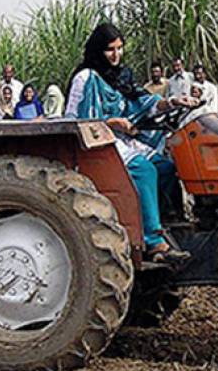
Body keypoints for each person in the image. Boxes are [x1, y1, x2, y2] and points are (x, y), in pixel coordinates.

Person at [65, 22, 192, 262]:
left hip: (124, 138)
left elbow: (145, 102)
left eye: (120, 48)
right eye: (110, 49)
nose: (116, 55)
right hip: (98, 141)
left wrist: (175, 102)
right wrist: (114, 123)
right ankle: (152, 240)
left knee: (167, 167)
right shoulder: (85, 78)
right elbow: (74, 119)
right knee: (144, 170)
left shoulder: (121, 77)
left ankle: (171, 224)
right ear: (98, 50)